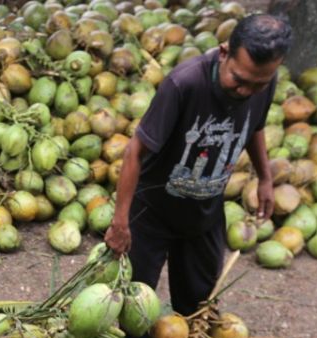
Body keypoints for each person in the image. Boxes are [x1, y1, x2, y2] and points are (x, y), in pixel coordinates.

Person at [105, 13, 293, 316]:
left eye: (257, 85)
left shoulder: (264, 83)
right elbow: (133, 152)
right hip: (153, 211)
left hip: (205, 211)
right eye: (239, 80)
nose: (246, 91)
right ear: (223, 53)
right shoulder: (184, 83)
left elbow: (254, 127)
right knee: (133, 302)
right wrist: (120, 221)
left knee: (198, 304)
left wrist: (265, 179)